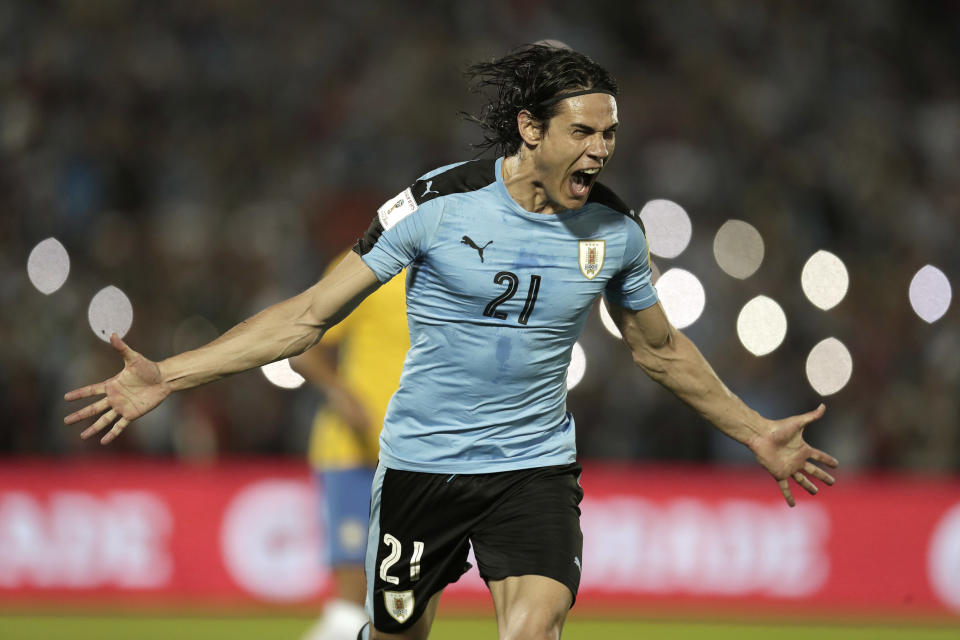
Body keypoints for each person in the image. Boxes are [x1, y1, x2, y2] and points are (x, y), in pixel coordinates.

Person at [65, 44, 839, 640]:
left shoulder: (617, 231)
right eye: (583, 132)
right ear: (531, 130)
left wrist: (756, 433)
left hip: (531, 466)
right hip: (423, 466)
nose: (602, 150)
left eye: (611, 133)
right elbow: (306, 317)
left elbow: (661, 349)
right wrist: (168, 373)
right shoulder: (435, 207)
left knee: (533, 626)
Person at [290, 255, 408, 640]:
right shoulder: (368, 262)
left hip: (418, 455)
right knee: (351, 604)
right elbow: (303, 348)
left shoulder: (457, 264)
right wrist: (343, 395)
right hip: (354, 451)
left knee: (396, 604)